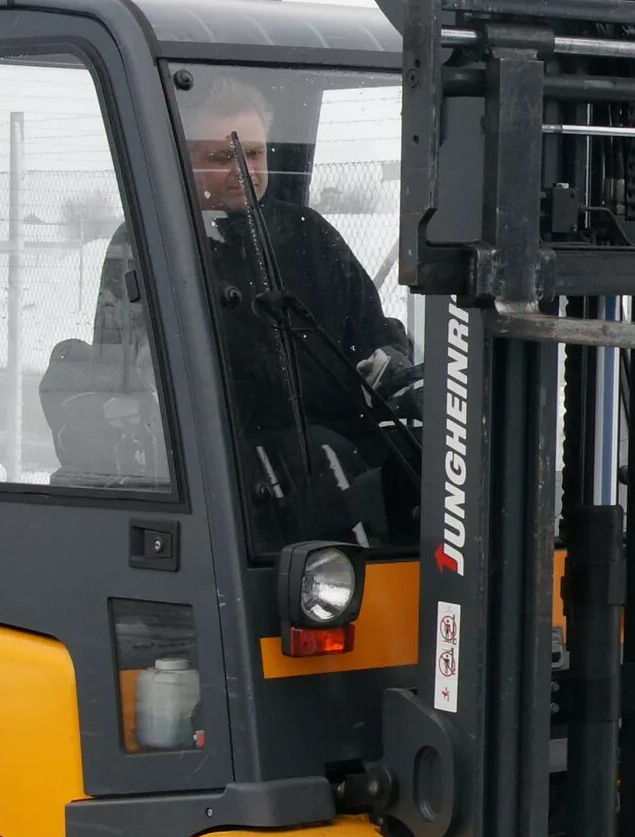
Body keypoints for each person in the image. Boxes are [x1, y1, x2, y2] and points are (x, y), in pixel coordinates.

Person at [56, 74, 421, 543]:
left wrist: (390, 361)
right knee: (322, 457)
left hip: (334, 449)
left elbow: (369, 329)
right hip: (228, 465)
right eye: (222, 157)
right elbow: (135, 367)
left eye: (252, 154)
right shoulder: (154, 242)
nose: (244, 171)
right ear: (186, 162)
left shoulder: (308, 233)